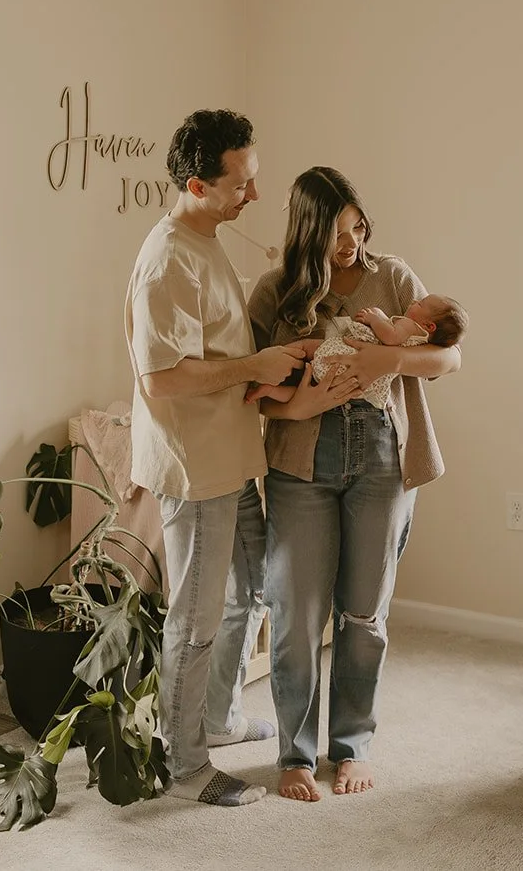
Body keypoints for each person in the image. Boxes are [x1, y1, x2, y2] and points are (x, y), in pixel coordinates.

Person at [246, 166, 463, 802]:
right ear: (308, 233)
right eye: (339, 234)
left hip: (382, 462)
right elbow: (253, 396)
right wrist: (301, 406)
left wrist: (389, 358)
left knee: (363, 614)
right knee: (295, 614)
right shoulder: (275, 293)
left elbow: (450, 355)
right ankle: (295, 753)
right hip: (300, 466)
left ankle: (352, 746)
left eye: (358, 227)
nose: (353, 244)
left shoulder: (393, 277)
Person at [124, 109, 311, 807]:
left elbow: (215, 355)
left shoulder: (208, 239)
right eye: (243, 183)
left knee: (251, 587)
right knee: (196, 620)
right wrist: (252, 365)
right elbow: (161, 378)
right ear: (199, 185)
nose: (255, 195)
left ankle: (217, 717)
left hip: (231, 458)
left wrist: (263, 371)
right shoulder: (168, 258)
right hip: (195, 465)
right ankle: (185, 766)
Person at [247, 294, 468, 411]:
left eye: (419, 303)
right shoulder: (421, 331)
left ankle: (275, 362)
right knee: (301, 392)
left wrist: (376, 318)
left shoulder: (412, 325)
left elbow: (452, 356)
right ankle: (270, 390)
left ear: (430, 327)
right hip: (352, 382)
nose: (414, 301)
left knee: (306, 350)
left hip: (346, 354)